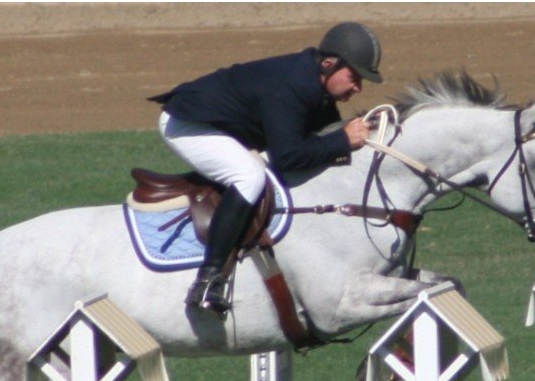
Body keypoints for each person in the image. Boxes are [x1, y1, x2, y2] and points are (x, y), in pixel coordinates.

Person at [150, 22, 383, 315]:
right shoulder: (293, 85)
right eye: (354, 77)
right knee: (249, 176)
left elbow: (319, 139)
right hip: (188, 124)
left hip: (230, 127)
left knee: (266, 166)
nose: (358, 88)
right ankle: (209, 279)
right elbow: (288, 158)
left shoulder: (316, 86)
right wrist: (343, 140)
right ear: (328, 64)